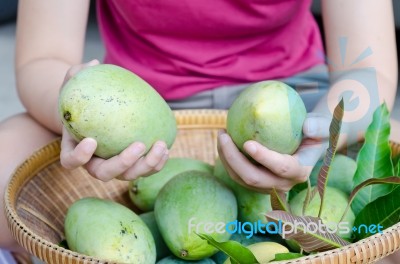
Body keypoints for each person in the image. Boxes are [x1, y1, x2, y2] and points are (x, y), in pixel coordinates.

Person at [1, 0, 399, 263]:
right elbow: (43, 57)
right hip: (144, 109)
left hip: (296, 103)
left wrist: (324, 131)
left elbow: (368, 70)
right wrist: (78, 104)